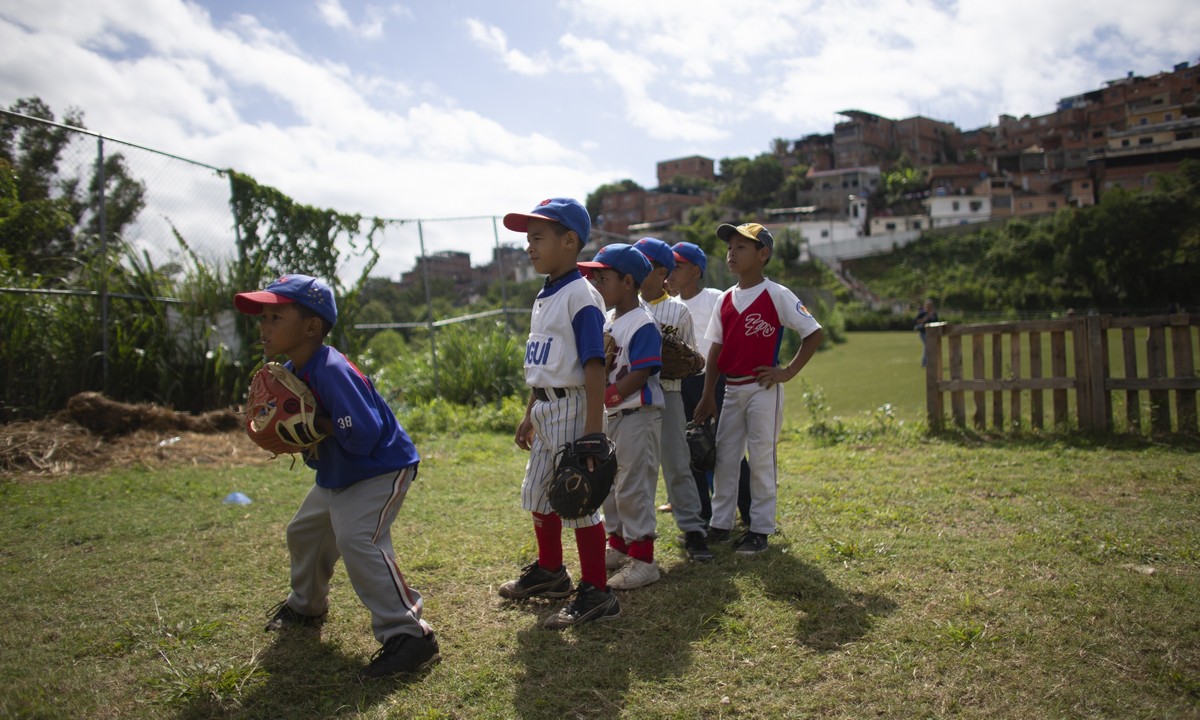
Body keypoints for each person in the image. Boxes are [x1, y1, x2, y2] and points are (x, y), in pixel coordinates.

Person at [233, 274, 439, 679]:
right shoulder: (292, 370)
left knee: (358, 538)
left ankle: (410, 635)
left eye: (276, 316)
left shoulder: (330, 368)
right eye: (264, 317)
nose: (264, 326)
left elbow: (362, 436)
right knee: (305, 532)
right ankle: (306, 605)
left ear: (311, 327)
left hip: (380, 468)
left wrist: (316, 422)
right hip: (340, 471)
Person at [499, 198, 620, 629]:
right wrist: (530, 410)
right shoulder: (546, 291)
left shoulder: (580, 294)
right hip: (548, 405)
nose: (529, 247)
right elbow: (544, 363)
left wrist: (593, 433)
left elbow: (593, 363)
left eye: (538, 238)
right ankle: (551, 572)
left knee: (579, 496)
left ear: (570, 241)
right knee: (538, 494)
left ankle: (597, 593)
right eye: (527, 239)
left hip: (574, 406)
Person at [694, 223, 824, 555]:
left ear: (762, 254)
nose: (731, 253)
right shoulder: (724, 298)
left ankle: (760, 529)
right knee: (725, 458)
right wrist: (709, 394)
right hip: (731, 390)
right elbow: (715, 350)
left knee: (762, 457)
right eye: (729, 248)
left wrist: (788, 371)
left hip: (763, 387)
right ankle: (721, 524)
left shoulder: (776, 294)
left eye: (741, 247)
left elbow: (813, 333)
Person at [578, 243, 664, 589]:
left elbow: (641, 372)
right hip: (615, 415)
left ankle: (644, 559)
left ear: (628, 281)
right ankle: (619, 545)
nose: (596, 285)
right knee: (610, 485)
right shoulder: (610, 318)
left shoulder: (642, 321)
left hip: (637, 414)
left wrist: (607, 396)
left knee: (633, 486)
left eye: (603, 278)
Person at [632, 237, 712, 563]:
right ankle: (632, 536)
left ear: (660, 270)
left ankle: (694, 531)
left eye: (644, 264)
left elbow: (690, 360)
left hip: (669, 393)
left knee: (678, 464)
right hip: (632, 399)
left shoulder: (677, 310)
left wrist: (683, 359)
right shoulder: (621, 309)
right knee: (634, 469)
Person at [669, 242, 752, 530]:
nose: (671, 272)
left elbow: (735, 338)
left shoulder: (715, 298)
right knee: (691, 451)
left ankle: (750, 512)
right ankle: (702, 517)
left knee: (726, 450)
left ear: (696, 270)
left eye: (677, 266)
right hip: (681, 386)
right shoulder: (669, 306)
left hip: (714, 382)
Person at [914, 299, 939, 367]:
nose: (929, 307)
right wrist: (925, 319)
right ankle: (924, 362)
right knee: (927, 346)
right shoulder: (922, 313)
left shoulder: (934, 313)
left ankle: (930, 361)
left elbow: (936, 321)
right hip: (923, 332)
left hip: (932, 332)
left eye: (930, 306)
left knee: (930, 346)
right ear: (925, 306)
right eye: (927, 305)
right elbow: (917, 321)